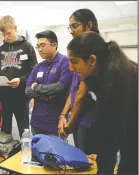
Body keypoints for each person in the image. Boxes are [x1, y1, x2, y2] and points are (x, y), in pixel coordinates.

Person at [67, 31, 138, 174]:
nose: (71, 68)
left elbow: (120, 130)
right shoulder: (94, 74)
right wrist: (101, 153)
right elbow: (105, 120)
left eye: (74, 61)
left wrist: (106, 157)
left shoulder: (122, 77)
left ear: (92, 60)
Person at [58, 8, 99, 154]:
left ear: (88, 26)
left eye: (74, 26)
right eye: (70, 27)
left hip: (89, 120)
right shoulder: (79, 51)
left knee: (88, 160)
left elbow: (81, 96)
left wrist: (69, 125)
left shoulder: (94, 51)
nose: (71, 31)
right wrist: (63, 115)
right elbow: (74, 90)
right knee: (80, 157)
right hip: (77, 119)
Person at [0, 15, 37, 137]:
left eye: (8, 33)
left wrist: (21, 80)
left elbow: (34, 71)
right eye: (3, 34)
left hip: (21, 97)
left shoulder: (27, 47)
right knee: (4, 131)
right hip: (4, 98)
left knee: (24, 132)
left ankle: (26, 155)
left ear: (15, 28)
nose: (6, 37)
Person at [25, 30, 72, 136]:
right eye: (38, 46)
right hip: (36, 121)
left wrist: (36, 87)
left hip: (55, 122)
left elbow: (60, 87)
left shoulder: (65, 62)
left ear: (54, 45)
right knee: (37, 151)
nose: (40, 50)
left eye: (43, 45)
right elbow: (27, 90)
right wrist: (47, 96)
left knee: (56, 151)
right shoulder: (38, 66)